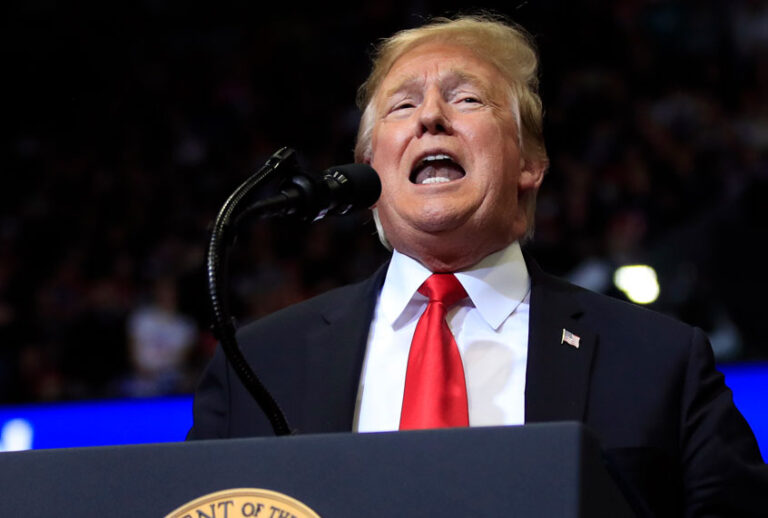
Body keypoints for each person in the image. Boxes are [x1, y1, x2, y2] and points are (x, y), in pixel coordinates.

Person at [188, 14, 768, 516]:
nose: (431, 117)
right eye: (403, 104)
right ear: (370, 169)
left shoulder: (660, 362)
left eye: (466, 98)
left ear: (530, 163)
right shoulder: (259, 365)